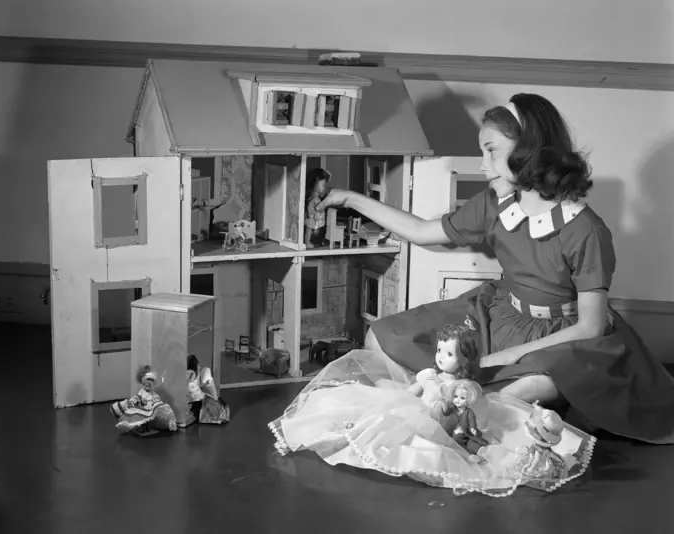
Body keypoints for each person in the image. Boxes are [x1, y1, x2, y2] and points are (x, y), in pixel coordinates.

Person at [316, 93, 674, 444]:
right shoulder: (495, 204)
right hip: (502, 313)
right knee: (381, 338)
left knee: (524, 387)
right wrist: (349, 198)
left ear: (528, 150)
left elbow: (590, 326)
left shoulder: (584, 229)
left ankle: (502, 409)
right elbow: (422, 231)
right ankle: (446, 404)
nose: (483, 165)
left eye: (491, 150)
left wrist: (509, 354)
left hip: (566, 336)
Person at [268, 321, 596, 496]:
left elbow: (468, 413)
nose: (441, 357)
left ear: (465, 360)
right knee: (379, 421)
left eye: (449, 354)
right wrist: (406, 398)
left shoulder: (465, 388)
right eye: (440, 350)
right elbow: (412, 391)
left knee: (461, 440)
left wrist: (452, 403)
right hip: (421, 413)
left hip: (448, 424)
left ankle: (471, 452)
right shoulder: (429, 375)